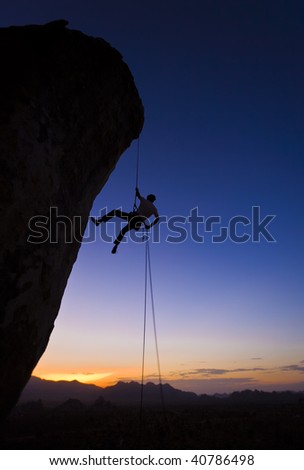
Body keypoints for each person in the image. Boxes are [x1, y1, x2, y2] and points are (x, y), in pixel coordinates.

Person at [91, 187, 159, 254]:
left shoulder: (144, 200)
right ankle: (116, 245)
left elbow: (138, 195)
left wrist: (137, 190)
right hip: (138, 223)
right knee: (123, 230)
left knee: (115, 212)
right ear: (153, 200)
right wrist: (150, 226)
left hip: (132, 217)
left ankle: (99, 221)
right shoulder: (154, 209)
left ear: (148, 198)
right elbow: (157, 218)